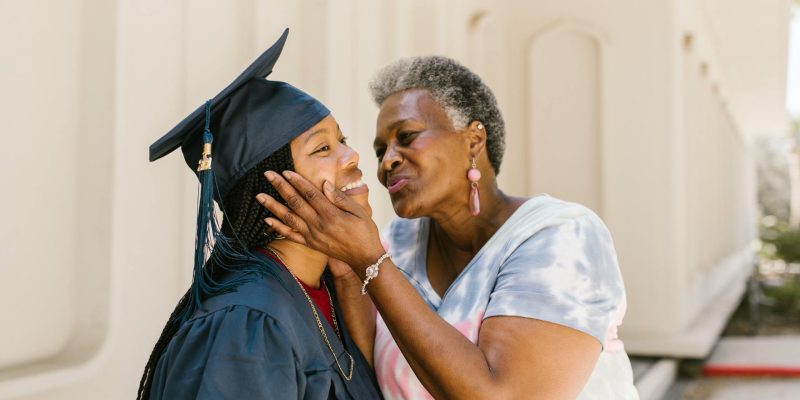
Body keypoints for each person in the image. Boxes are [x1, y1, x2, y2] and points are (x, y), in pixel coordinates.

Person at [256, 55, 640, 399]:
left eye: (406, 137)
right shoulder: (394, 245)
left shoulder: (560, 237)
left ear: (473, 140)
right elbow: (370, 382)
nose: (387, 161)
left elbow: (502, 395)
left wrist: (369, 261)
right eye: (380, 150)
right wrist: (345, 267)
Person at [138, 29, 381, 400]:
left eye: (342, 141)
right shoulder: (244, 325)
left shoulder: (328, 288)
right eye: (322, 148)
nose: (352, 157)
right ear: (269, 189)